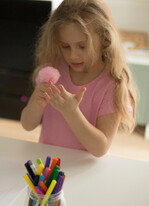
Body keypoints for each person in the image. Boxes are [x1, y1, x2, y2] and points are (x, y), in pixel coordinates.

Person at [21, 0, 137, 157]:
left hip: (86, 170)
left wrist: (71, 112)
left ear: (105, 39)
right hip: (50, 165)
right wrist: (37, 103)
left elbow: (100, 148)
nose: (73, 55)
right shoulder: (53, 70)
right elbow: (27, 124)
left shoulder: (112, 85)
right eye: (65, 46)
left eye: (82, 46)